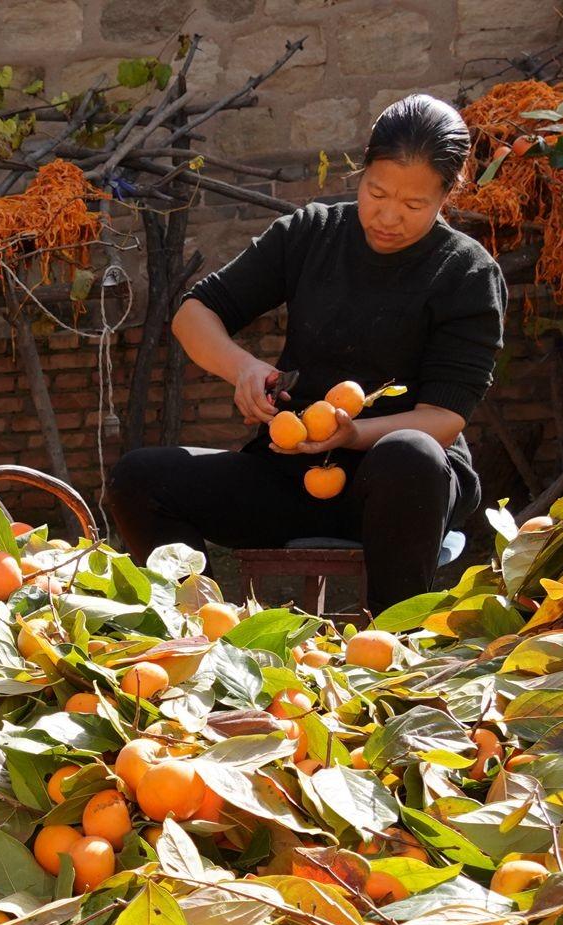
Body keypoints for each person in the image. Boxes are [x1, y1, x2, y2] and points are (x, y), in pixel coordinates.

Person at [105, 95, 506, 614]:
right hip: (292, 476)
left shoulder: (467, 274)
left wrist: (352, 434)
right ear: (361, 170)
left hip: (401, 492)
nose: (387, 217)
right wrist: (243, 368)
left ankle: (390, 651)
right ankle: (198, 630)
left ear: (447, 195)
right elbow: (194, 312)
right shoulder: (312, 234)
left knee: (411, 451)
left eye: (413, 206)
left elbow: (444, 419)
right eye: (376, 192)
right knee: (139, 479)